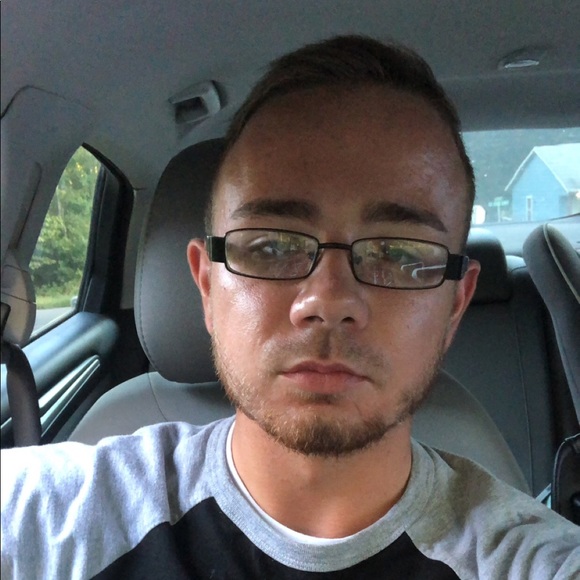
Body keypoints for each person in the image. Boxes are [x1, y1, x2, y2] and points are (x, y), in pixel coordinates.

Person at [1, 35, 579, 579]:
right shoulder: (50, 517)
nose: (328, 301)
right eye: (271, 247)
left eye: (399, 254)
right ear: (207, 287)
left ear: (456, 305)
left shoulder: (531, 559)